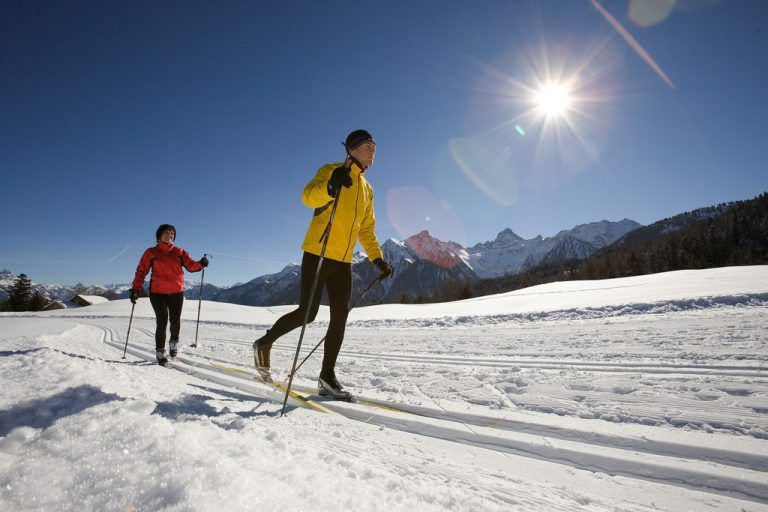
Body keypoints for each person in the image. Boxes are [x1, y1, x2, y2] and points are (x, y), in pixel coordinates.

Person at [253, 129, 393, 400]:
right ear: (351, 149)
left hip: (343, 261)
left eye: (375, 147)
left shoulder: (368, 189)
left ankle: (327, 377)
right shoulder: (330, 169)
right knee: (308, 313)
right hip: (318, 252)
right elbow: (308, 197)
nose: (373, 151)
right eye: (368, 145)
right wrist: (330, 186)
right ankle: (264, 343)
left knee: (340, 317)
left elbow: (366, 229)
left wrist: (377, 259)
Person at [130, 224, 209, 365]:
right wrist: (135, 289)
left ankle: (173, 344)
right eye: (166, 233)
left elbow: (191, 265)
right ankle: (160, 352)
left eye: (172, 233)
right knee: (162, 322)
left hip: (176, 292)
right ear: (159, 235)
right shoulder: (151, 252)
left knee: (175, 321)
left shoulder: (179, 252)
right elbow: (141, 271)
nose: (170, 235)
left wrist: (201, 264)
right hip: (157, 292)